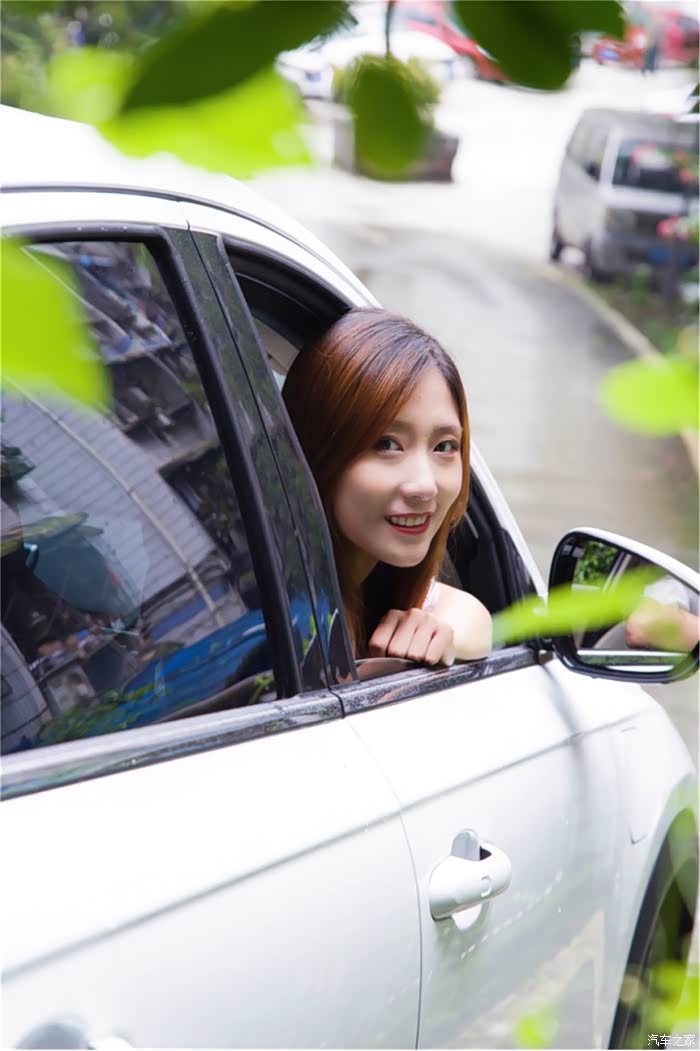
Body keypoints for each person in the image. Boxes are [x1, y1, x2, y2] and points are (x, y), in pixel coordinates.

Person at [282, 307, 492, 666]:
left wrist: (442, 636)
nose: (424, 486)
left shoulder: (380, 592)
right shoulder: (278, 613)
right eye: (387, 444)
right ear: (315, 451)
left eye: (444, 446)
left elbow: (470, 615)